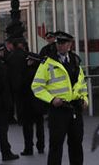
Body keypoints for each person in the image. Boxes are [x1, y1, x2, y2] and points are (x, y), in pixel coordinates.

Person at [31, 30, 88, 165]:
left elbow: (82, 84)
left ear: (70, 44)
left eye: (63, 43)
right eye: (58, 43)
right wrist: (51, 99)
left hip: (75, 108)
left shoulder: (75, 60)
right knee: (56, 146)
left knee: (76, 145)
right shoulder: (48, 63)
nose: (60, 46)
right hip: (59, 110)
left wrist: (85, 99)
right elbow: (36, 86)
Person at [20, 53, 46, 155]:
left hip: (28, 103)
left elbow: (22, 86)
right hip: (39, 103)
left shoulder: (26, 72)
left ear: (32, 61)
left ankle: (28, 148)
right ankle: (41, 146)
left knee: (27, 127)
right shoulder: (41, 72)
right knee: (40, 126)